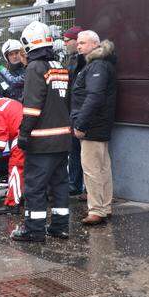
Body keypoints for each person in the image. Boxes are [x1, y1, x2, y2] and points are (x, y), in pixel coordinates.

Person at [11, 21, 72, 243]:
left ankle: (34, 230)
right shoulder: (59, 65)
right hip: (62, 138)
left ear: (28, 44)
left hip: (42, 140)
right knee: (60, 184)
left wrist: (23, 134)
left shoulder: (36, 68)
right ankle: (59, 226)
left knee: (35, 186)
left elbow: (32, 107)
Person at [71, 31, 117, 226]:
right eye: (78, 43)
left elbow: (94, 97)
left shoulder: (97, 65)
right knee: (103, 168)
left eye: (82, 43)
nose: (78, 46)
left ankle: (97, 210)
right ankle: (104, 207)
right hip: (99, 125)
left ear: (94, 44)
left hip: (92, 126)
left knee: (92, 169)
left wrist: (81, 123)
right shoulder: (99, 63)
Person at [0, 96, 25, 215]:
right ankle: (22, 196)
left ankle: (13, 204)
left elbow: (0, 132)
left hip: (21, 133)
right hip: (26, 129)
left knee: (15, 168)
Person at [62, 26, 86, 197]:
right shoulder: (71, 59)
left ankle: (84, 187)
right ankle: (74, 184)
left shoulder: (87, 61)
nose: (65, 43)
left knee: (85, 153)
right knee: (74, 151)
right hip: (72, 111)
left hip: (83, 113)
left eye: (67, 40)